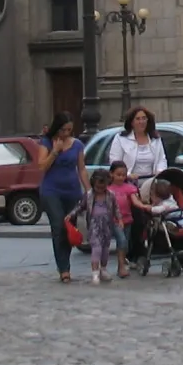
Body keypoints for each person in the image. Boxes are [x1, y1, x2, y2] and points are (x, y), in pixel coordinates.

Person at [34, 113, 89, 283]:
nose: (66, 133)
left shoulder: (77, 144)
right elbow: (42, 166)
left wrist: (89, 190)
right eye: (63, 130)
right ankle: (64, 269)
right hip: (51, 191)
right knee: (58, 227)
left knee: (69, 229)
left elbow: (81, 169)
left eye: (69, 130)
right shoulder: (46, 143)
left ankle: (65, 263)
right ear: (56, 128)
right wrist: (55, 151)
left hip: (72, 191)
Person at [73, 170, 121, 285]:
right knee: (96, 247)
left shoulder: (111, 195)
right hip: (94, 225)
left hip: (107, 224)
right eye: (97, 187)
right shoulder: (89, 195)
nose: (99, 189)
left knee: (105, 249)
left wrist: (119, 219)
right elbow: (80, 206)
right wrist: (71, 215)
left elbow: (116, 208)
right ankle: (95, 272)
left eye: (102, 186)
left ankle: (103, 269)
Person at [145, 178, 183, 253]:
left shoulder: (167, 203)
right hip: (168, 220)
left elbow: (157, 210)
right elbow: (157, 207)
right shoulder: (166, 199)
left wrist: (150, 208)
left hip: (179, 218)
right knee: (173, 227)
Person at [112, 107, 167, 182]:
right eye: (138, 119)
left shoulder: (155, 138)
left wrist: (160, 171)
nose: (141, 122)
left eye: (144, 118)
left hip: (151, 183)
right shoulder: (120, 138)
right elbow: (115, 162)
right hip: (128, 183)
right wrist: (127, 175)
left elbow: (162, 159)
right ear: (131, 122)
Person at [106, 161, 139, 280]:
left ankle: (121, 264)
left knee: (124, 244)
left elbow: (135, 201)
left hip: (127, 219)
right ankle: (120, 266)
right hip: (114, 220)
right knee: (122, 240)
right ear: (111, 174)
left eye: (123, 175)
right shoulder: (108, 189)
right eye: (118, 174)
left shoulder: (129, 188)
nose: (121, 177)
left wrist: (146, 206)